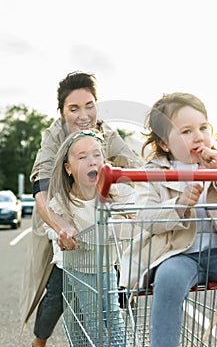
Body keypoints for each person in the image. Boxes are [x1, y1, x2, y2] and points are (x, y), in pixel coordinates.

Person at [19, 71, 142, 347]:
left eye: (89, 105)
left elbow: (132, 165)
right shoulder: (53, 137)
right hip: (60, 221)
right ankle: (39, 341)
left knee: (108, 297)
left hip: (97, 224)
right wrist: (61, 225)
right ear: (62, 112)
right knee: (56, 295)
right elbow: (41, 187)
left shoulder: (105, 131)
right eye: (74, 108)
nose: (83, 115)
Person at [119, 92, 217, 347]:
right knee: (168, 280)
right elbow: (145, 217)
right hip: (178, 253)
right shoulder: (152, 173)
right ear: (165, 144)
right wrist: (180, 204)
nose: (199, 136)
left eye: (203, 128)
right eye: (186, 131)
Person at [45, 129, 132, 346]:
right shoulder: (64, 201)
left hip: (106, 265)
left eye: (96, 155)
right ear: (69, 168)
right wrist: (61, 234)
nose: (91, 161)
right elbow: (52, 225)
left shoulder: (115, 192)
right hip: (78, 267)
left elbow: (135, 208)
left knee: (112, 313)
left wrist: (131, 215)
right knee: (92, 317)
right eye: (82, 157)